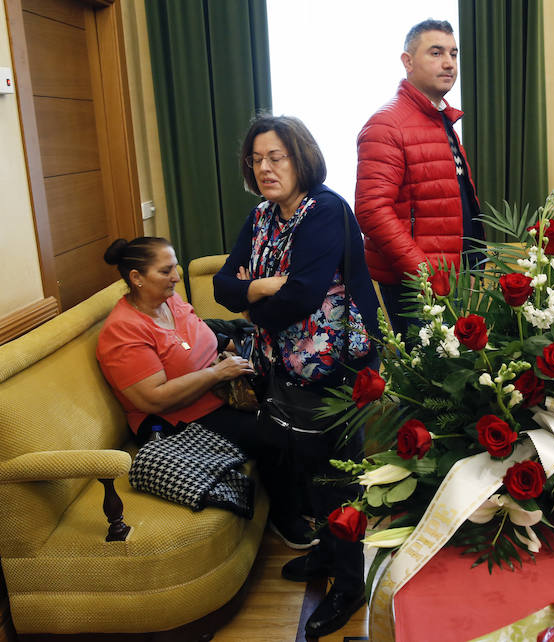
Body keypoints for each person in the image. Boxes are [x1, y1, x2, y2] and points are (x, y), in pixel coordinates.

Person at [213, 114, 379, 638]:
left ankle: (350, 583)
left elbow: (305, 295)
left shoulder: (325, 210)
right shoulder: (261, 216)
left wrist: (250, 297)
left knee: (338, 479)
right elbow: (222, 284)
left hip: (335, 366)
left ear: (300, 156)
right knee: (307, 468)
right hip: (283, 364)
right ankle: (329, 557)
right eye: (256, 159)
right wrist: (261, 289)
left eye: (275, 157)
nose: (264, 168)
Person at [96, 237, 297, 515]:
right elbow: (154, 399)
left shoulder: (170, 301)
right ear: (136, 278)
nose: (176, 278)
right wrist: (216, 373)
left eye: (175, 268)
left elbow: (200, 335)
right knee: (275, 435)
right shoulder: (123, 331)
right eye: (165, 271)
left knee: (297, 405)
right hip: (178, 421)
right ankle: (287, 517)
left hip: (220, 392)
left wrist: (236, 347)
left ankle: (318, 499)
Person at [356, 18, 482, 337]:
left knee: (455, 378)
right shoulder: (387, 125)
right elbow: (372, 211)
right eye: (436, 53)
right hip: (417, 284)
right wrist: (424, 274)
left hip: (454, 275)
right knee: (430, 381)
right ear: (407, 62)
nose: (449, 63)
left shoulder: (440, 120)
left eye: (454, 54)